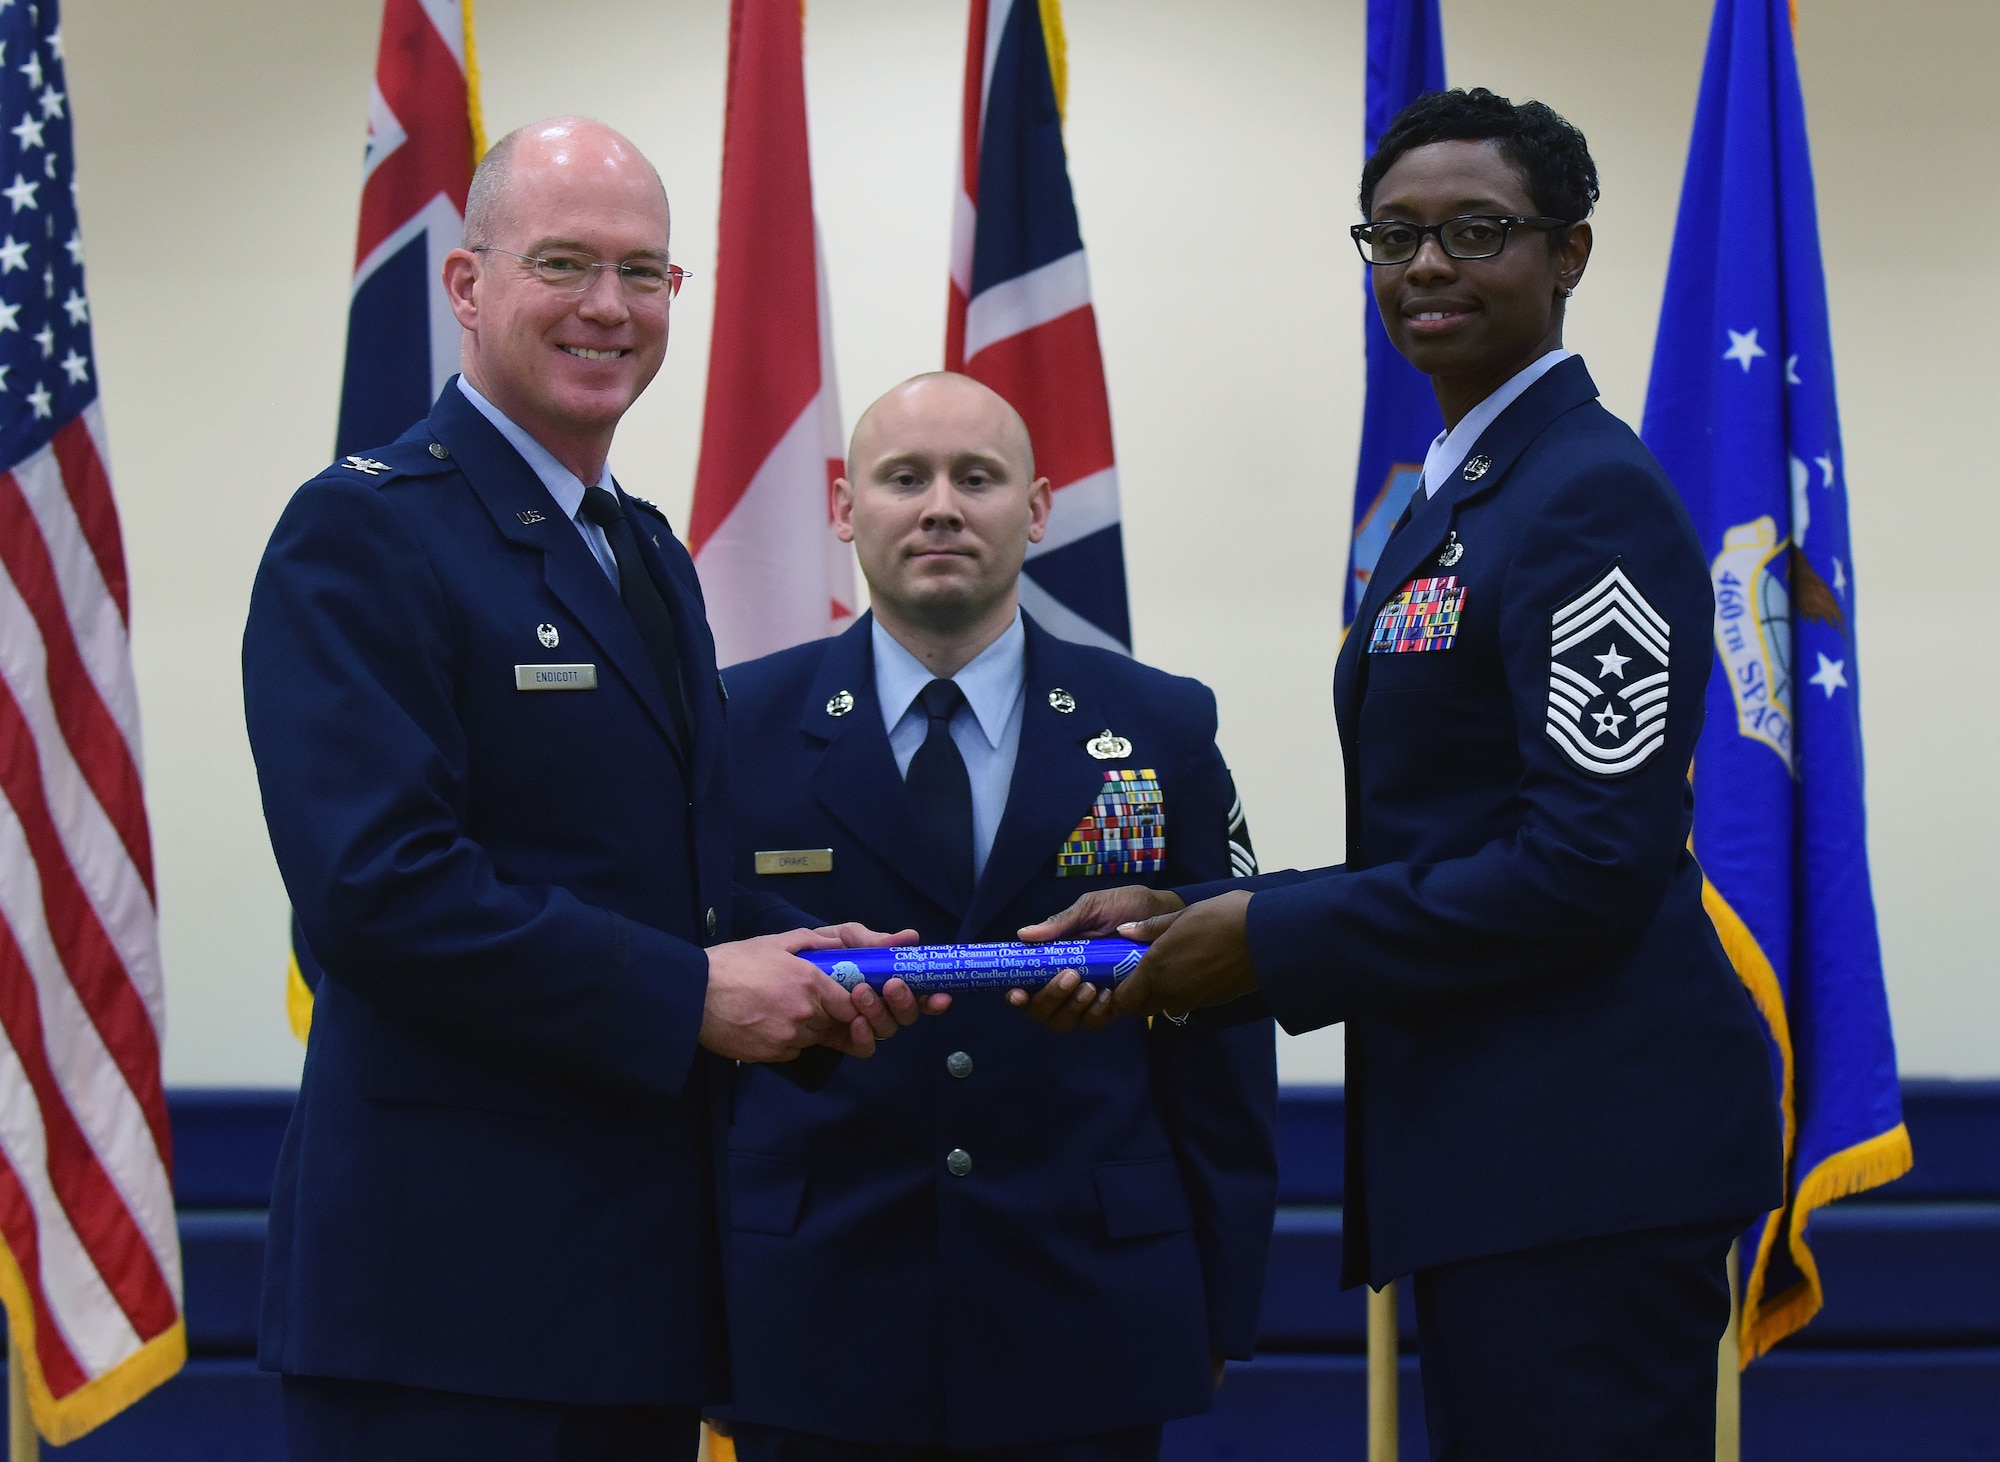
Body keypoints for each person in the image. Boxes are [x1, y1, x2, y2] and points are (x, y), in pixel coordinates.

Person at [1021, 90, 1784, 1459]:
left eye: (1477, 231)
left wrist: (1262, 940)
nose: (1427, 266)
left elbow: (1588, 862)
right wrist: (1196, 912)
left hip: (1585, 1155)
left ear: (1572, 253)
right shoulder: (1462, 491)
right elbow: (1457, 829)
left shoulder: (1582, 494)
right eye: (1395, 235)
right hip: (1505, 1149)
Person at [241, 118, 939, 1462]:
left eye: (645, 271)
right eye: (564, 263)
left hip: (632, 1290)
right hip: (442, 1302)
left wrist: (790, 976)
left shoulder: (643, 552)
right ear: (467, 284)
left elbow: (654, 879)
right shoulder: (365, 532)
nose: (609, 307)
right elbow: (377, 892)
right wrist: (694, 992)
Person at [713, 372, 1279, 1462]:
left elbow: (1220, 1022)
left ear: (1036, 508)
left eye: (976, 478)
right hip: (808, 1308)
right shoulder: (736, 726)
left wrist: (1218, 1287)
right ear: (842, 507)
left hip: (1090, 1304)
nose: (939, 507)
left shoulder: (1159, 723)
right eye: (902, 478)